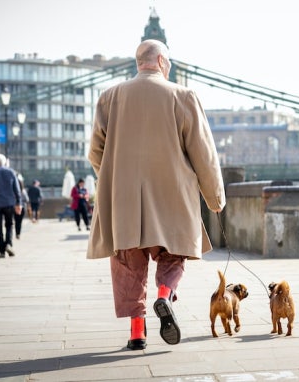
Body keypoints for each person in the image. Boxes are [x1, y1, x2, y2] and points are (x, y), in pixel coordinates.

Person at [87, 39, 225, 350]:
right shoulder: (183, 96)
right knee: (173, 254)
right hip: (171, 195)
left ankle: (138, 333)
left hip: (125, 201)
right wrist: (215, 199)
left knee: (128, 263)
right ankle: (164, 297)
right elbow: (204, 154)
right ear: (162, 61)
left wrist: (114, 179)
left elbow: (95, 152)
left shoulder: (109, 98)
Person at [14, 174, 29, 239]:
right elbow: (27, 199)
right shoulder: (23, 191)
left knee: (16, 220)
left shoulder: (12, 191)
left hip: (14, 207)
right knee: (19, 221)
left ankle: (17, 232)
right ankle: (18, 233)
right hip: (22, 207)